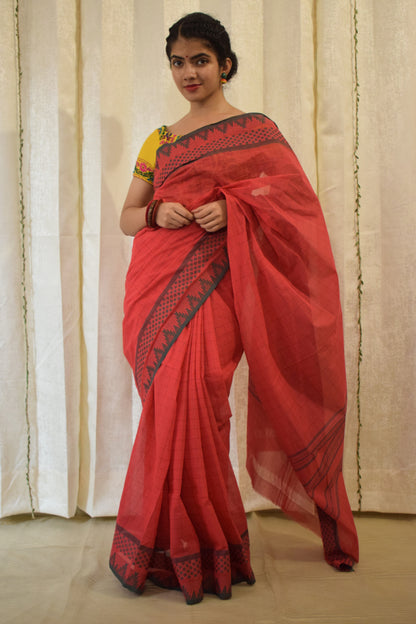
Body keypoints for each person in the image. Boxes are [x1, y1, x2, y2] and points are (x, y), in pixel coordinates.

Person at [109, 12, 359, 605]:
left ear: (224, 64)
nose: (188, 72)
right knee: (170, 403)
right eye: (178, 61)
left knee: (202, 399)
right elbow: (126, 216)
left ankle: (212, 546)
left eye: (200, 59)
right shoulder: (161, 141)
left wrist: (238, 210)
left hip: (219, 287)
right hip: (157, 285)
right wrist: (154, 215)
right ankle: (165, 544)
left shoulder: (258, 130)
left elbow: (296, 207)